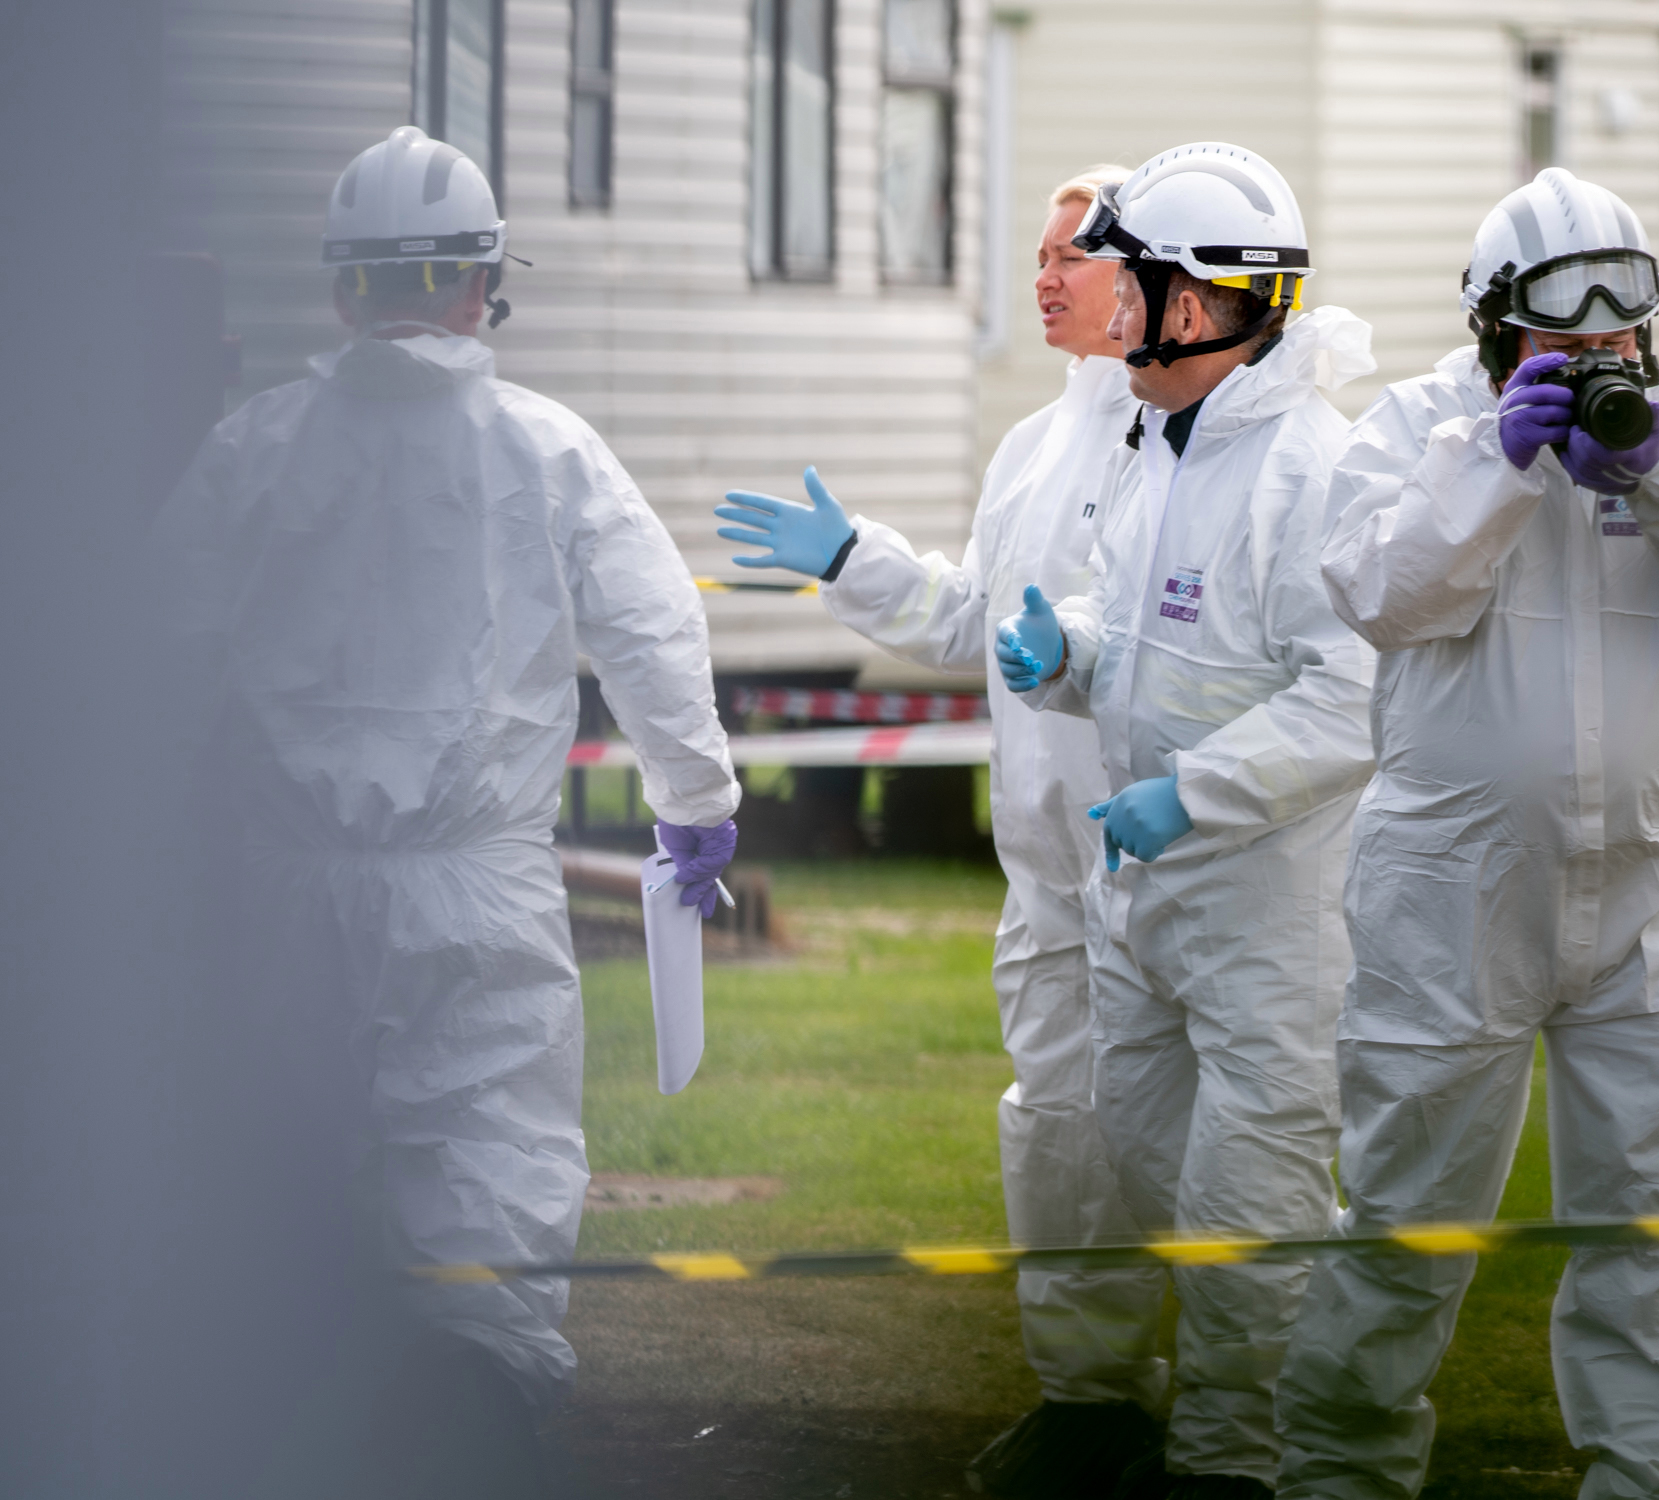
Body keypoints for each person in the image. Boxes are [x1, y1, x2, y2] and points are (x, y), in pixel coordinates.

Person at [161, 125, 741, 1495]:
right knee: (488, 1143)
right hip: (479, 880)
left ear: (340, 289)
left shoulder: (253, 448)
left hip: (278, 879)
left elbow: (151, 654)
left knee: (280, 1150)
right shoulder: (547, 450)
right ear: (485, 283)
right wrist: (696, 802)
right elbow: (655, 636)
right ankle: (476, 1409)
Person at [1273, 167, 1659, 1500]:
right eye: (1555, 332)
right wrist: (1497, 467)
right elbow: (1376, 594)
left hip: (1642, 878)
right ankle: (1337, 1473)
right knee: (1404, 1212)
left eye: (1615, 329)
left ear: (1649, 322)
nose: (1592, 356)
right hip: (1450, 889)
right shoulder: (1415, 427)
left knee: (1655, 1215)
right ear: (1490, 327)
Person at [713, 166, 1174, 1500]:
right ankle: (1090, 1407)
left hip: (1186, 866)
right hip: (1045, 875)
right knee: (1058, 1138)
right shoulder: (1032, 446)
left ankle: (1244, 1429)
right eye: (1035, 257)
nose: (1039, 280)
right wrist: (851, 554)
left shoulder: (1193, 436)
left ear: (1146, 271)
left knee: (1216, 1152)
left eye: (1067, 259)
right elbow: (974, 620)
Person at [994, 142, 1379, 1500]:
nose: (1108, 306)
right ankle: (1262, 1425)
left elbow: (1348, 699)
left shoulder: (1314, 476)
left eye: (1133, 279)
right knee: (1157, 1179)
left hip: (1267, 915)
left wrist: (1196, 795)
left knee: (1248, 1213)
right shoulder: (1161, 443)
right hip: (1139, 899)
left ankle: (1237, 1464)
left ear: (1204, 302)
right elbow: (1162, 639)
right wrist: (1073, 657)